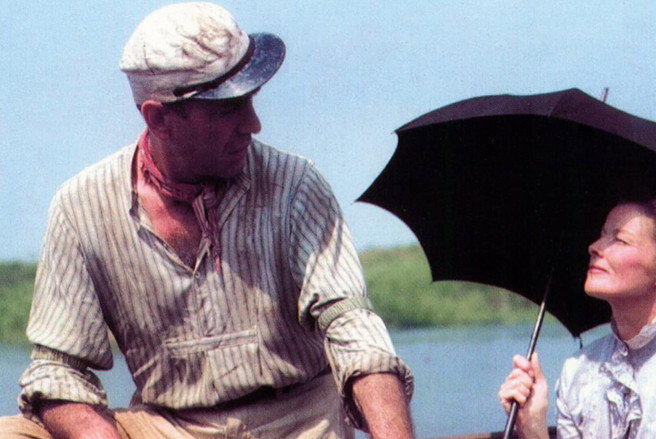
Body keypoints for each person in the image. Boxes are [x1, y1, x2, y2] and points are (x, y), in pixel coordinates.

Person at [0, 3, 414, 438]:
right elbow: (57, 371)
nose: (253, 124)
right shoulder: (81, 207)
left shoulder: (295, 184)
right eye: (228, 109)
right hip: (170, 426)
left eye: (250, 101)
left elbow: (353, 328)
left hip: (301, 421)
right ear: (159, 118)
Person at [498, 198, 656, 439]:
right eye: (602, 235)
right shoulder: (578, 371)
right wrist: (532, 427)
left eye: (620, 240)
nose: (594, 247)